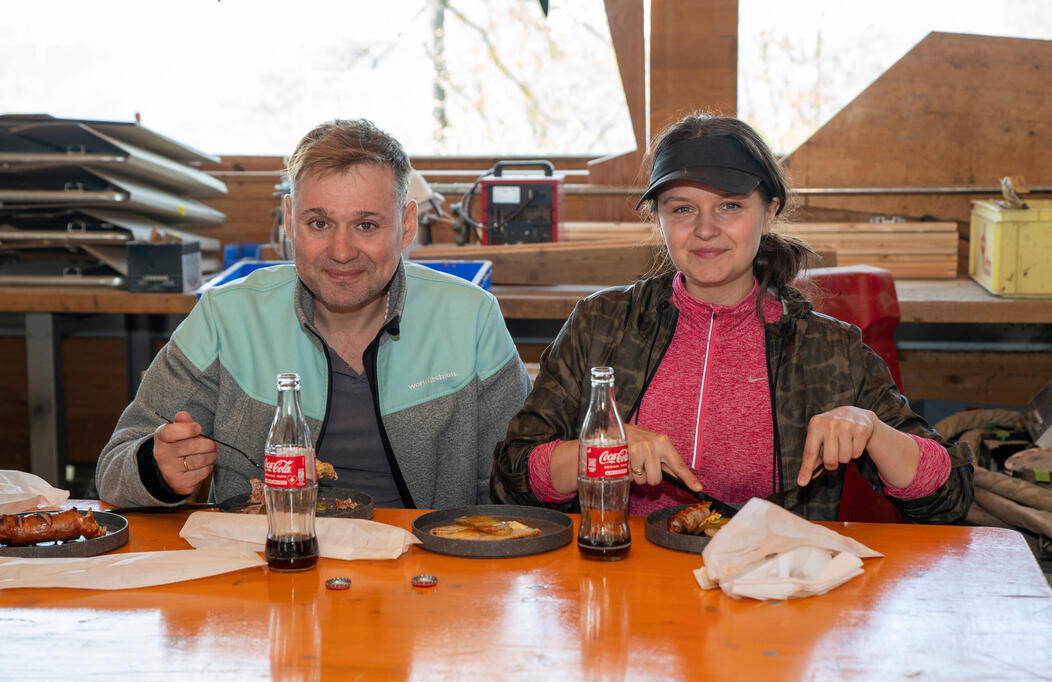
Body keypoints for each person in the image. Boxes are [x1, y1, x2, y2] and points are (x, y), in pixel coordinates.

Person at [491, 114, 973, 522]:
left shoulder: (828, 352)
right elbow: (511, 478)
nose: (705, 229)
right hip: (622, 576)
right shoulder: (601, 324)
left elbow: (949, 498)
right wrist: (599, 452)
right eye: (683, 208)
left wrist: (874, 429)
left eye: (730, 206)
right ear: (658, 218)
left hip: (771, 586)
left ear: (769, 211)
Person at [98, 118, 530, 509]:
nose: (341, 252)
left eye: (366, 225)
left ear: (407, 225)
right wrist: (156, 468)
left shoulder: (471, 318)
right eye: (319, 224)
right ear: (290, 220)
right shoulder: (224, 318)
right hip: (269, 559)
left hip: (426, 563)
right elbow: (114, 467)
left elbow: (517, 479)